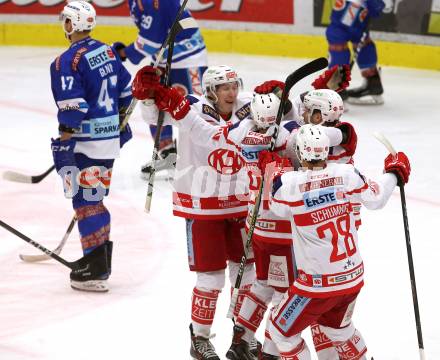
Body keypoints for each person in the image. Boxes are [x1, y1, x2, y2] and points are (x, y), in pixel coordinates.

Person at [132, 64, 256, 360]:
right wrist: (148, 97)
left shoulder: (250, 107)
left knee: (247, 274)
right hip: (202, 205)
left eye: (233, 85)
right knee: (211, 278)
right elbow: (154, 117)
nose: (231, 92)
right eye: (224, 87)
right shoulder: (192, 106)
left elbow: (283, 115)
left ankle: (245, 336)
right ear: (211, 91)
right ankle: (200, 338)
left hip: (242, 203)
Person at [264, 124, 410, 359]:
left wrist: (272, 168)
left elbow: (276, 207)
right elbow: (376, 199)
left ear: (301, 153)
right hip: (352, 278)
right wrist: (393, 172)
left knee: (281, 333)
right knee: (338, 330)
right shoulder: (346, 174)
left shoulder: (289, 185)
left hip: (316, 286)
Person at [50, 1, 133, 292]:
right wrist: (119, 121)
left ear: (71, 25)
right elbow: (126, 91)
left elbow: (74, 107)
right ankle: (97, 261)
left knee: (86, 202)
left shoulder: (66, 61)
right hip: (109, 142)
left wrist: (64, 142)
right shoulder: (107, 51)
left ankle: (96, 268)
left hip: (86, 146)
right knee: (92, 199)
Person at [112, 0, 208, 179]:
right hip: (165, 57)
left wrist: (125, 53)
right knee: (153, 99)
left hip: (189, 58)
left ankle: (204, 157)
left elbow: (151, 40)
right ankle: (167, 153)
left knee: (195, 109)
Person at [326, 0, 386, 104]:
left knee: (337, 37)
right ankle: (373, 83)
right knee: (360, 39)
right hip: (360, 8)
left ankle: (337, 91)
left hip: (351, 6)